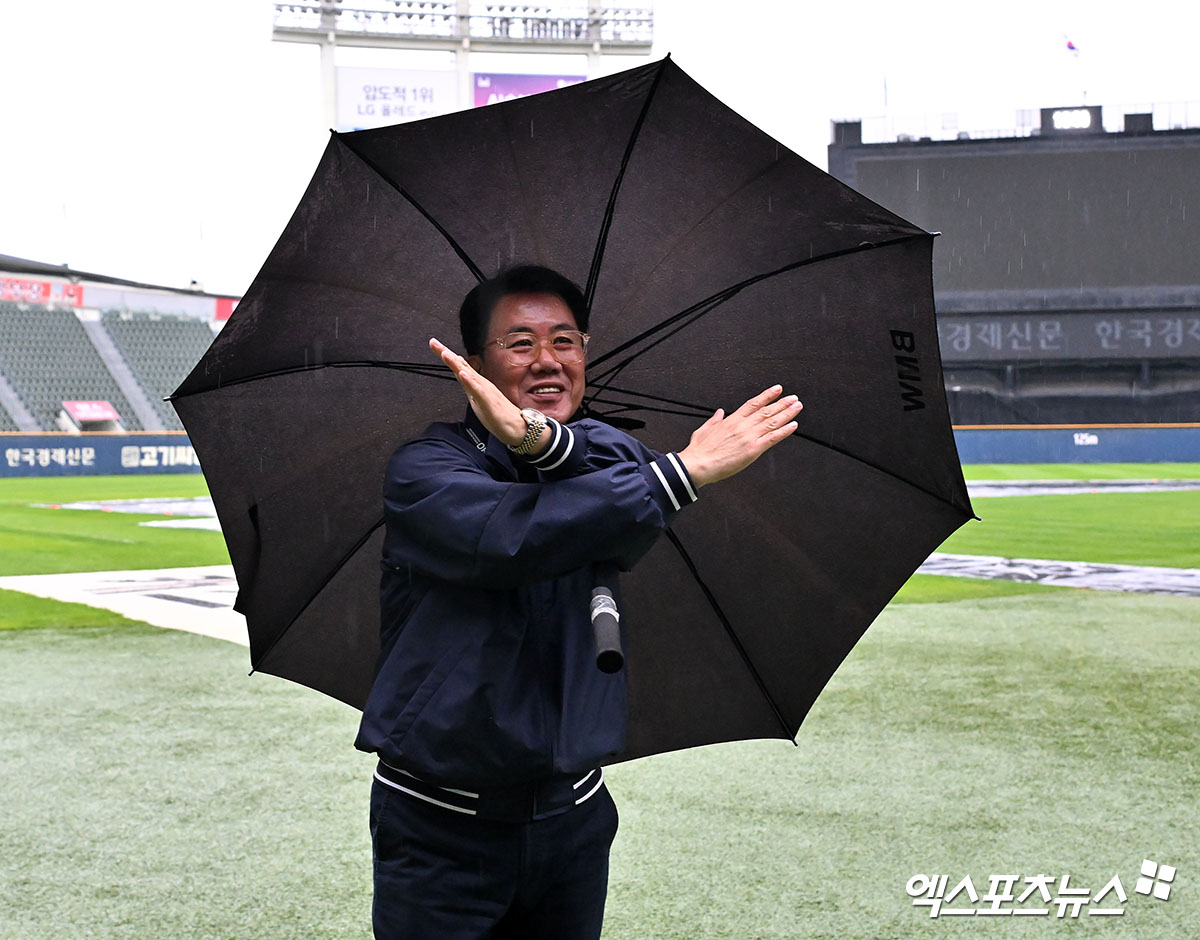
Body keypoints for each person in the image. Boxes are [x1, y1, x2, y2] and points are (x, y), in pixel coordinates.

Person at [355, 265, 802, 939]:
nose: (548, 361)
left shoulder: (603, 456)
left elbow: (616, 469)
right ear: (474, 366)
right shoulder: (426, 469)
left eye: (566, 342)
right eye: (521, 343)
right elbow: (510, 537)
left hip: (575, 818)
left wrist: (536, 440)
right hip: (440, 825)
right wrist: (682, 471)